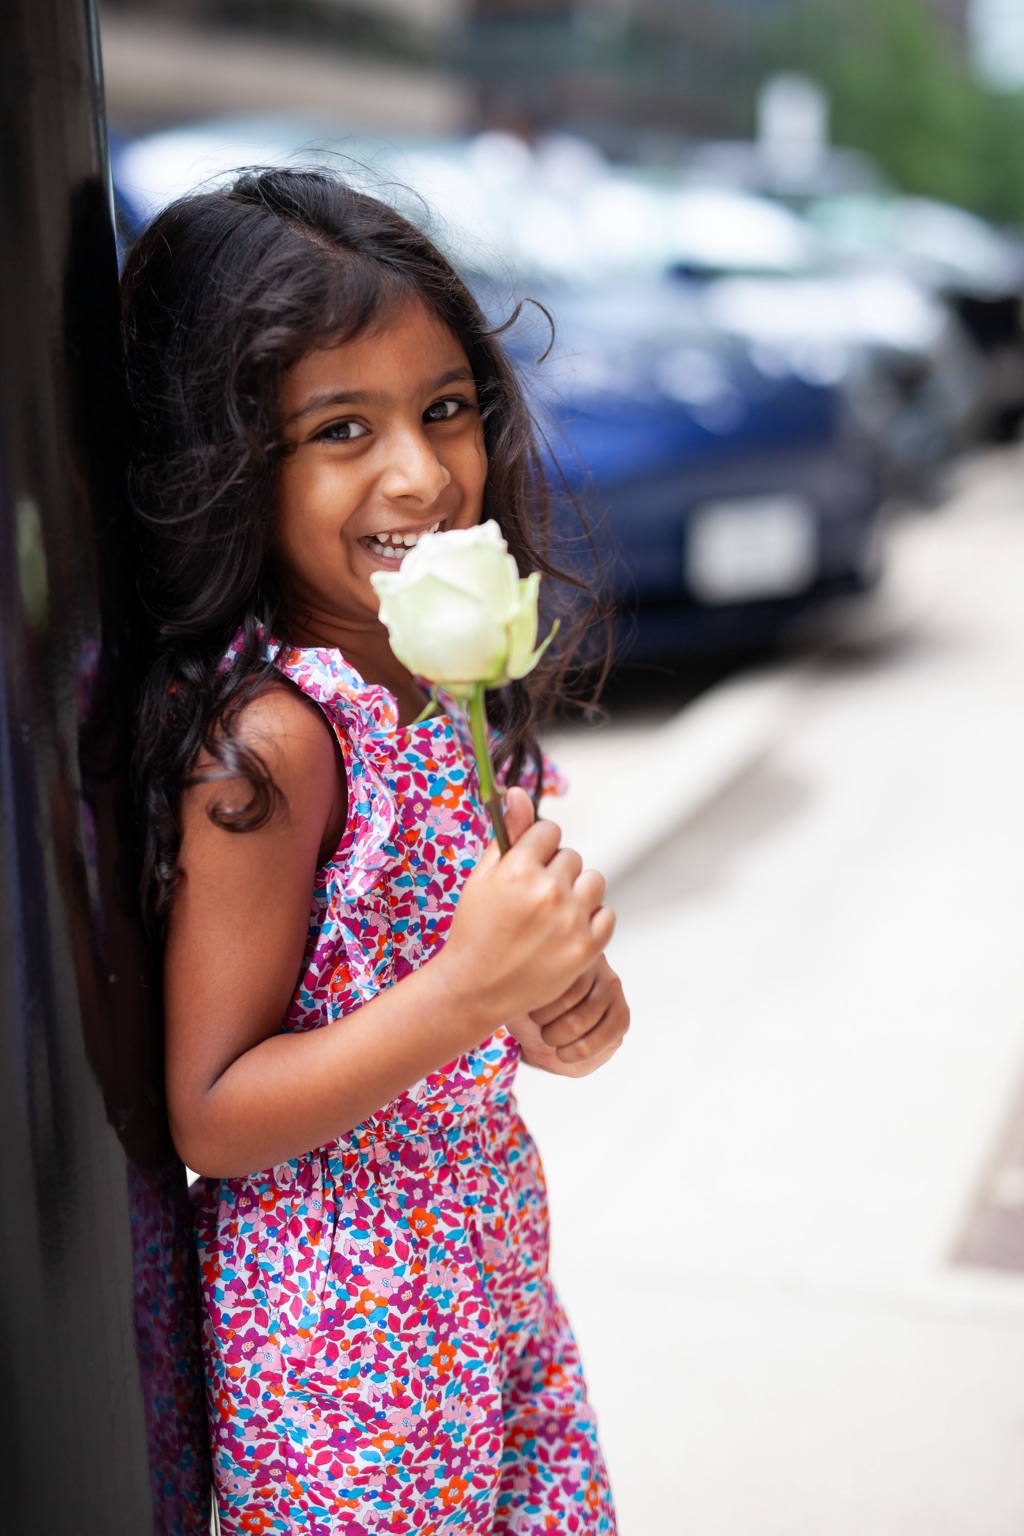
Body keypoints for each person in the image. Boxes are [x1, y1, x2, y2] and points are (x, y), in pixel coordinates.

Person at [121, 166, 629, 1535]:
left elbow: (472, 1010)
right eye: (342, 428)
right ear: (226, 460)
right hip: (349, 1365)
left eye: (447, 406)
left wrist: (557, 1007)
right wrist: (466, 990)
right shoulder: (276, 745)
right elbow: (212, 1109)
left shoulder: (441, 692)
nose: (423, 471)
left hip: (495, 1290)